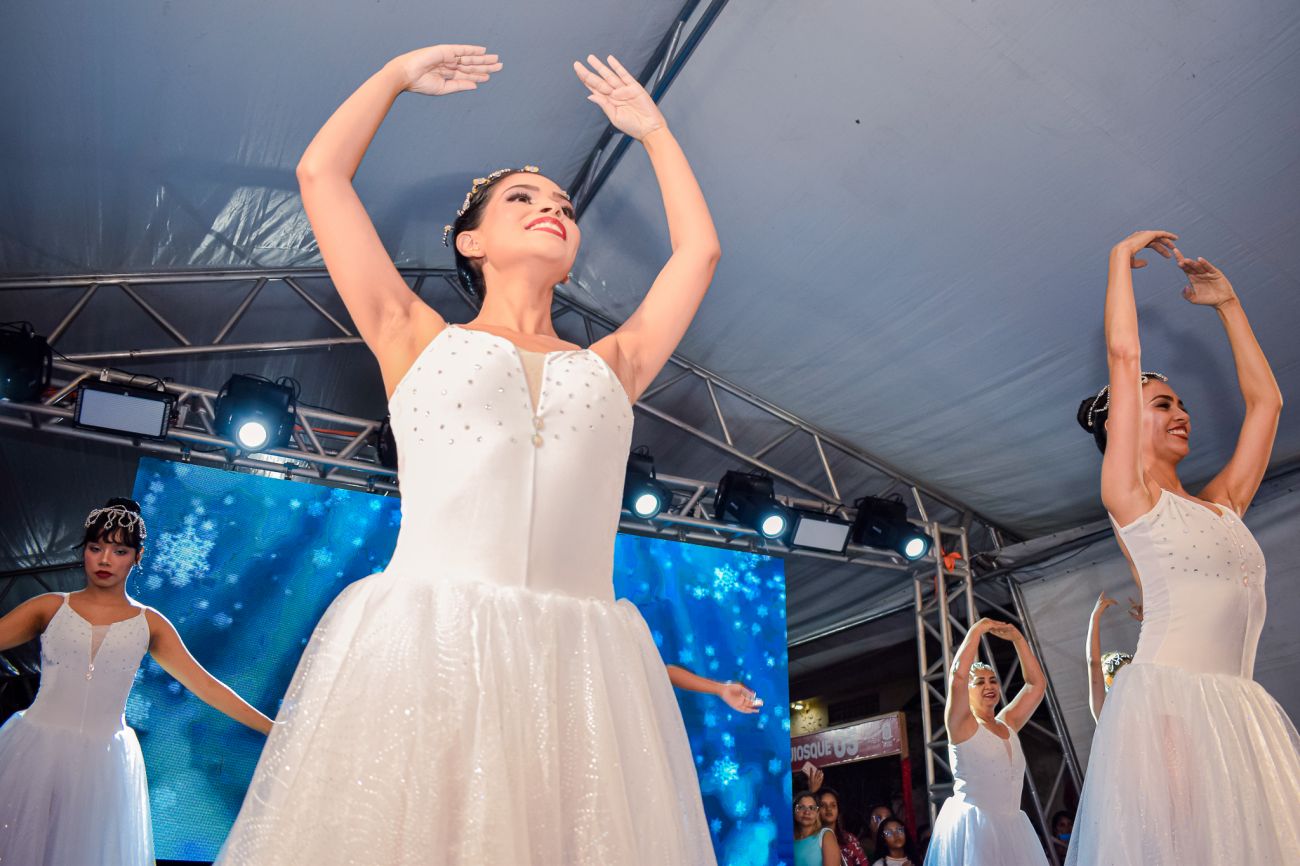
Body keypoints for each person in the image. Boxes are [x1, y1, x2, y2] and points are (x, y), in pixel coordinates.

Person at [217, 42, 723, 864]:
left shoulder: (617, 364)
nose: (553, 208)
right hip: (434, 650)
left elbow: (698, 254)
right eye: (523, 198)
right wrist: (392, 77)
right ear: (469, 242)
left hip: (580, 671)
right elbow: (321, 176)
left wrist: (655, 134)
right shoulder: (412, 335)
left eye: (564, 204)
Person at [1067, 232, 1299, 862]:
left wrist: (1229, 305)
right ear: (1120, 424)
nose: (1182, 414)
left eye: (1182, 404)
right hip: (1169, 706)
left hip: (1239, 710)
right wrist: (1118, 258)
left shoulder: (1223, 504)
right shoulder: (1132, 498)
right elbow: (1123, 354)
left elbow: (1267, 403)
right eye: (1162, 404)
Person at [0, 498, 272, 865]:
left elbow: (206, 686)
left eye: (119, 551)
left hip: (102, 763)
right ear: (84, 551)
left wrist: (273, 728)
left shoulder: (150, 623)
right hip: (35, 748)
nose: (105, 560)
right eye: (96, 548)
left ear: (137, 556)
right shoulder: (49, 607)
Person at [923, 618, 1048, 866]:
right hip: (976, 832)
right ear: (967, 692)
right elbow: (958, 677)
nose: (989, 686)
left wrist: (1018, 639)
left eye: (993, 680)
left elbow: (1036, 685)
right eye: (979, 682)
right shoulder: (961, 725)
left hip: (1013, 832)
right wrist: (977, 630)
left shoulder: (1008, 722)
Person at [1084, 592, 1134, 723]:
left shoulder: (1105, 714)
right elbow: (1094, 663)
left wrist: (1095, 617)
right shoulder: (1104, 713)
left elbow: (1094, 664)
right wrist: (1094, 617)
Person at [818, 786, 870, 866]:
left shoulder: (849, 839)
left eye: (833, 805)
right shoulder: (812, 840)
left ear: (838, 810)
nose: (828, 809)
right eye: (823, 805)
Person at [794, 790, 842, 866]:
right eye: (801, 807)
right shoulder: (787, 839)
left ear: (817, 813)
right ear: (794, 811)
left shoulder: (825, 835)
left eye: (812, 808)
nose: (807, 812)